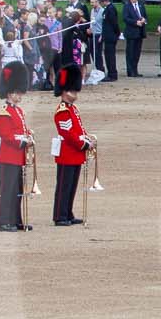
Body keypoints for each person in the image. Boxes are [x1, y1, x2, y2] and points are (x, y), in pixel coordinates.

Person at [0, 60, 33, 231]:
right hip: (8, 157)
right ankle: (3, 221)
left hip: (19, 156)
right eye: (16, 93)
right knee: (7, 190)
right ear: (9, 93)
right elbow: (7, 136)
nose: (19, 96)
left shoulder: (19, 111)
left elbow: (22, 129)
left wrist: (29, 135)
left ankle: (16, 219)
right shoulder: (3, 113)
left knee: (17, 191)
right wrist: (23, 140)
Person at [50, 65, 92, 226]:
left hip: (75, 153)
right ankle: (60, 215)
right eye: (71, 91)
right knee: (63, 186)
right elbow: (68, 134)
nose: (74, 95)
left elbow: (79, 129)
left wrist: (87, 139)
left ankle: (68, 212)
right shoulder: (62, 111)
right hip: (67, 153)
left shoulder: (73, 109)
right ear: (63, 91)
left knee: (72, 185)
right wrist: (83, 144)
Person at [123, 0, 148, 77]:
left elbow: (145, 15)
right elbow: (125, 18)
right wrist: (135, 22)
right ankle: (130, 71)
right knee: (130, 52)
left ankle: (135, 70)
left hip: (140, 32)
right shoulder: (127, 6)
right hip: (131, 32)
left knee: (137, 52)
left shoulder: (141, 5)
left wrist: (144, 20)